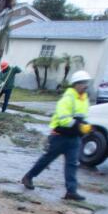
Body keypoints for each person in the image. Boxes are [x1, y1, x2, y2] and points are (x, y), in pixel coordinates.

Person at [21, 70, 93, 201]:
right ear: (76, 84)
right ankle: (29, 177)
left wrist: (84, 126)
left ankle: (71, 191)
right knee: (47, 159)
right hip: (60, 136)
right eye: (83, 83)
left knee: (72, 164)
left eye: (86, 83)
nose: (85, 85)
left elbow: (83, 116)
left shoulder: (84, 99)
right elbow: (64, 119)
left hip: (74, 138)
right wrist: (79, 125)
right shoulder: (67, 99)